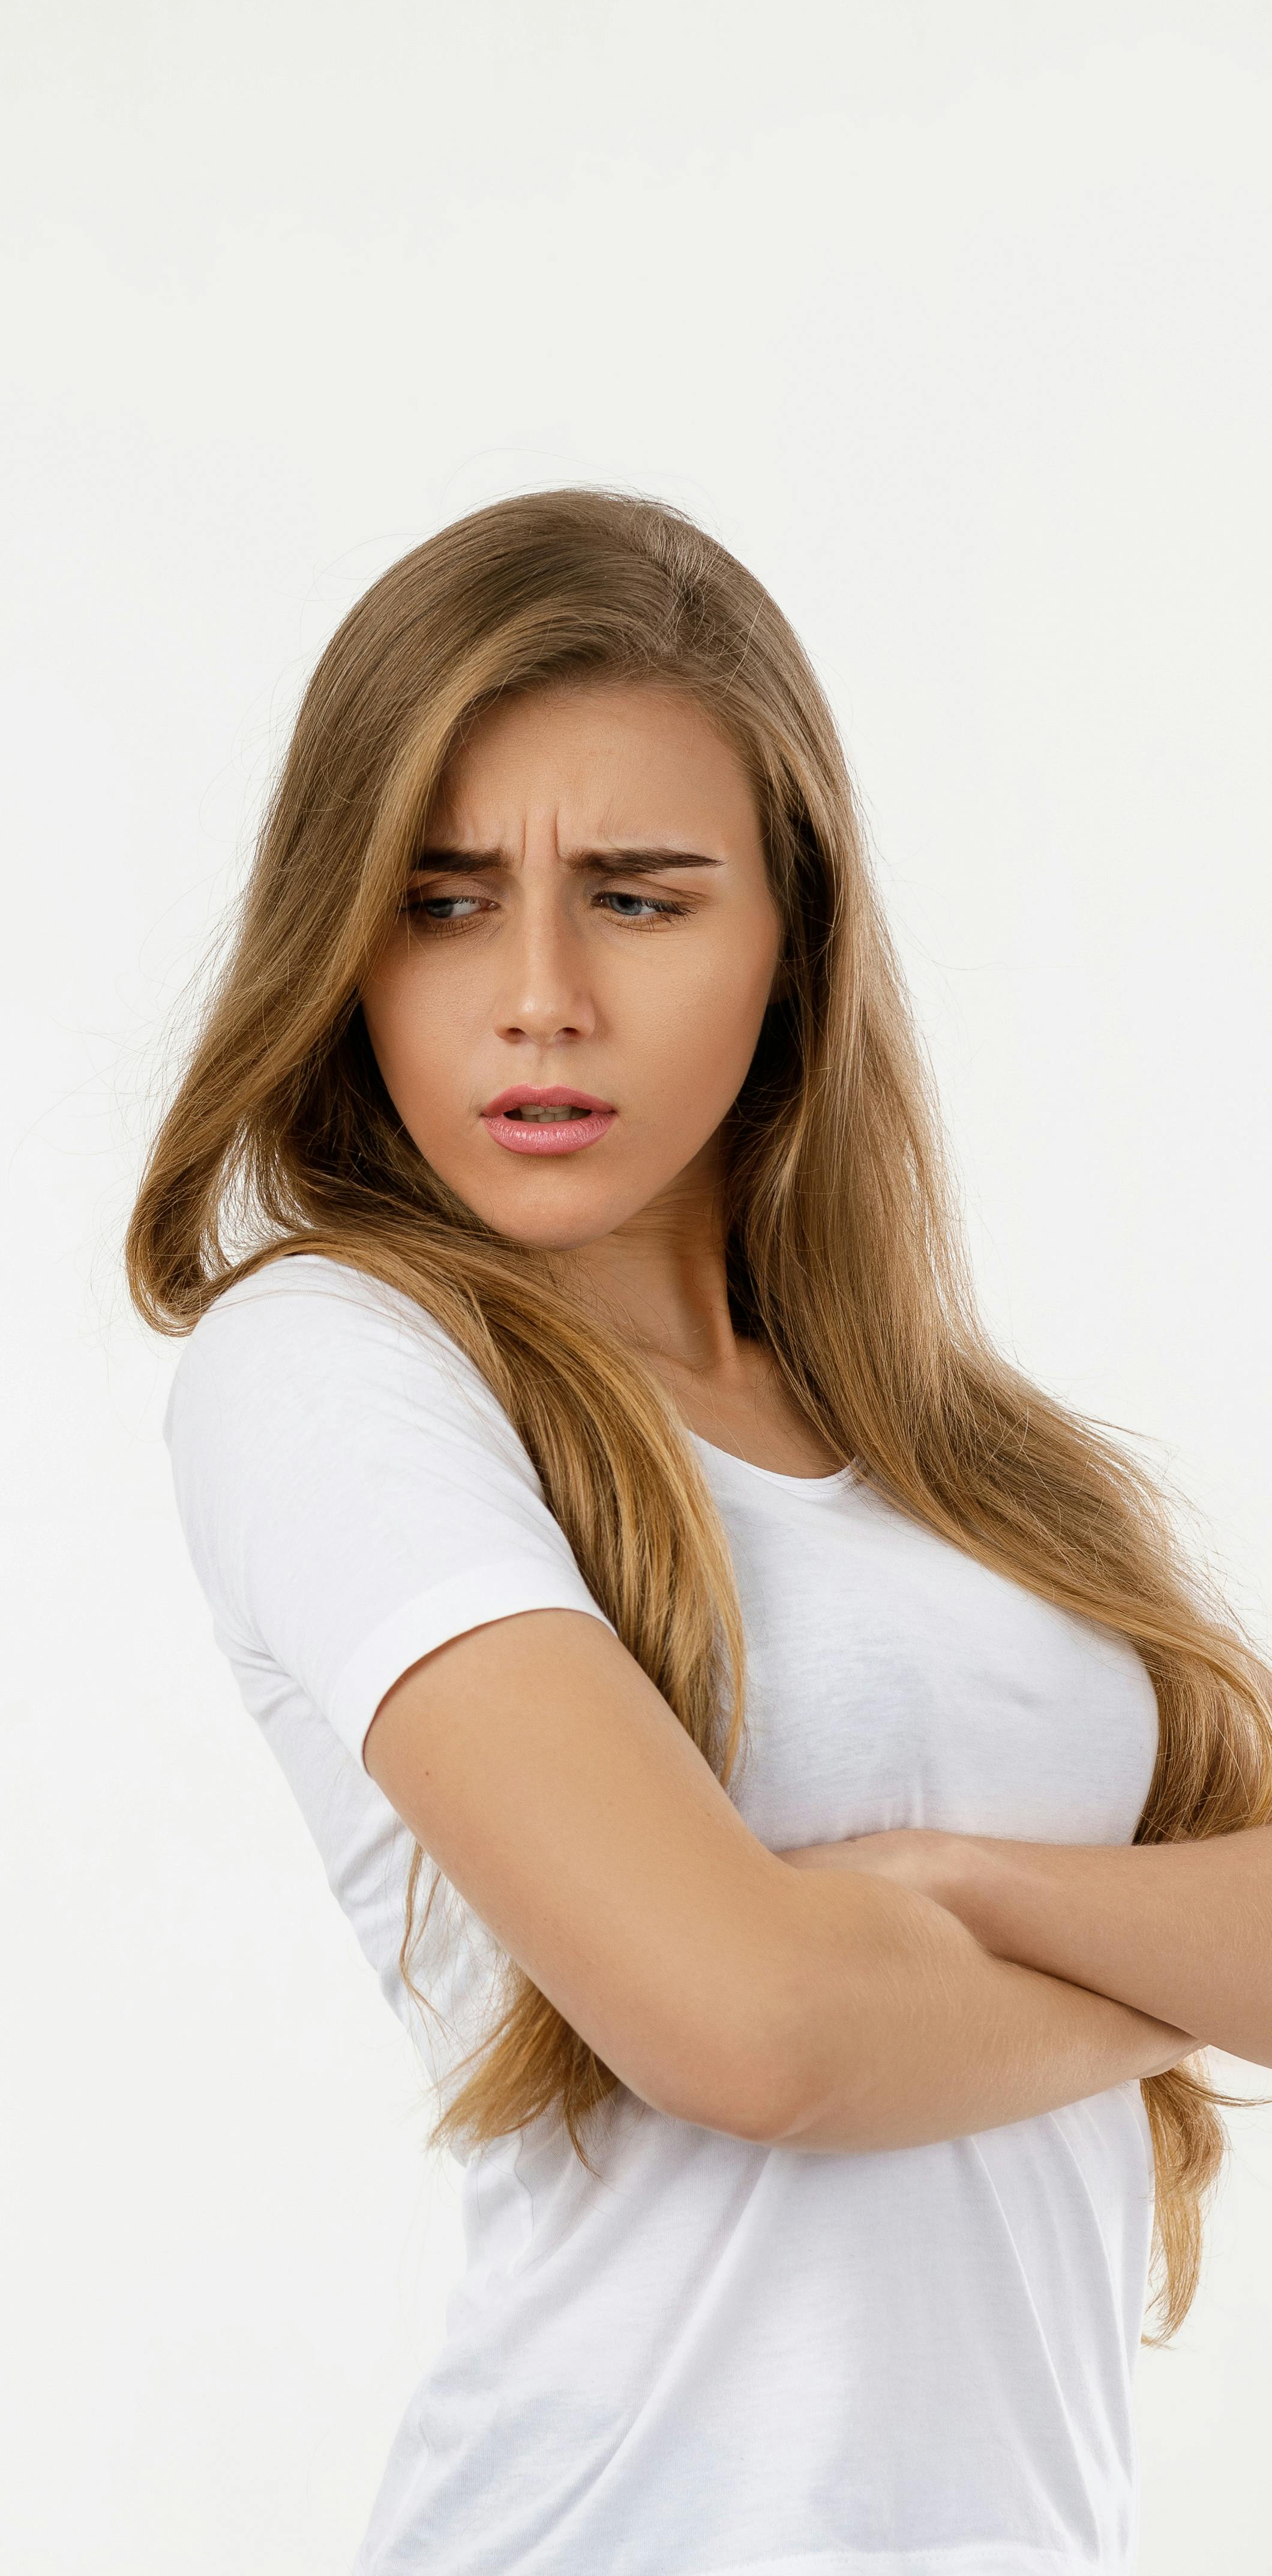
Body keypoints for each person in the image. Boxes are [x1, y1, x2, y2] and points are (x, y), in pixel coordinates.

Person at [132, 489, 1272, 2573]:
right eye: (446, 900)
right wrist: (1171, 1975)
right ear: (345, 936)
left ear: (794, 939)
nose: (541, 997)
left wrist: (935, 1890)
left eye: (642, 901)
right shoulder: (334, 1362)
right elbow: (750, 2029)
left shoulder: (983, 1467)